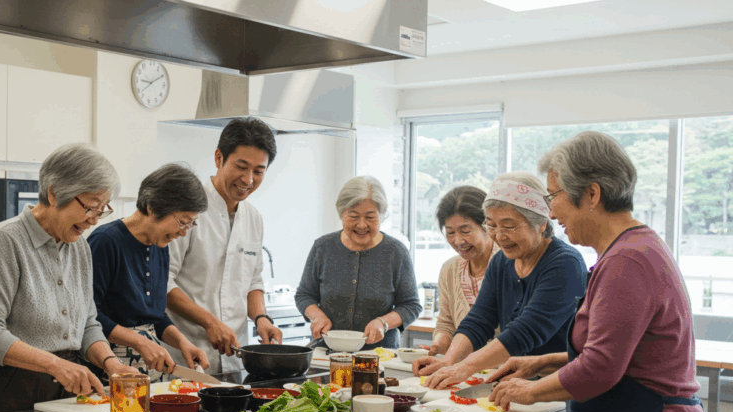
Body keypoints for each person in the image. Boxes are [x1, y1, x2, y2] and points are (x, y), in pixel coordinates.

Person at [488, 131, 710, 412]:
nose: (551, 212)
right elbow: (624, 352)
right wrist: (544, 362)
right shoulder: (632, 248)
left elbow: (602, 368)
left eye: (554, 196)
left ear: (591, 193)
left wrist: (527, 391)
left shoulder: (627, 260)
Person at [0, 143, 140, 412]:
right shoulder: (6, 241)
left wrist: (110, 363)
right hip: (5, 389)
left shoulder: (79, 246)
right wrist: (54, 364)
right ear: (54, 194)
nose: (94, 220)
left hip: (62, 391)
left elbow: (87, 324)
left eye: (102, 209)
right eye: (90, 208)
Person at [413, 172, 587, 388]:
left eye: (509, 226)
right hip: (513, 383)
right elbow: (479, 320)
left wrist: (464, 367)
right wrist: (448, 361)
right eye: (492, 225)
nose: (499, 236)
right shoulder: (501, 262)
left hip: (556, 386)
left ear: (541, 222)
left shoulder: (565, 263)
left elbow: (525, 331)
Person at [166, 117, 284, 377]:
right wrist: (210, 322)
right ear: (219, 158)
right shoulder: (187, 209)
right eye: (241, 167)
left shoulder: (254, 218)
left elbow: (253, 281)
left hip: (235, 358)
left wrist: (262, 318)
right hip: (185, 356)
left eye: (259, 171)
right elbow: (165, 284)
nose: (248, 179)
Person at [89, 163, 210, 379]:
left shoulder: (160, 245)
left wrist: (183, 343)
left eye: (191, 224)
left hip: (150, 374)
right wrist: (139, 341)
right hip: (109, 370)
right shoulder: (106, 241)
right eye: (182, 222)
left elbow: (154, 316)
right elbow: (89, 315)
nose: (183, 233)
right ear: (153, 207)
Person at [296, 176, 421, 349]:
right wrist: (317, 316)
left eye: (370, 217)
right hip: (327, 354)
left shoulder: (396, 252)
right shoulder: (323, 247)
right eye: (353, 216)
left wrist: (383, 323)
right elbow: (304, 294)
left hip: (380, 356)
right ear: (341, 214)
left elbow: (411, 305)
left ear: (381, 216)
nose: (362, 225)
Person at [430, 186, 500, 355]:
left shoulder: (508, 264)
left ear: (488, 225)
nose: (458, 241)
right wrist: (437, 346)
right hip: (462, 372)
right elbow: (446, 324)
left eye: (465, 231)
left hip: (505, 371)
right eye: (450, 232)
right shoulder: (450, 269)